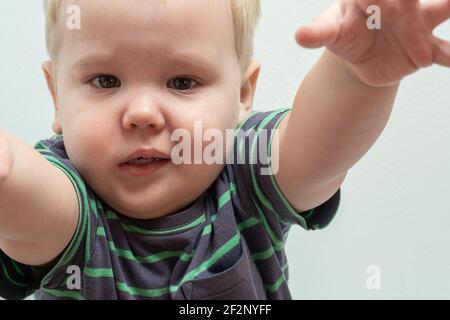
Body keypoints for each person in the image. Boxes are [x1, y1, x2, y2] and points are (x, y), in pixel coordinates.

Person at [0, 0, 448, 299]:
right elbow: (29, 197)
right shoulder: (69, 197)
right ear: (57, 96)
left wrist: (359, 76)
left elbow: (316, 149)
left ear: (242, 94)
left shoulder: (244, 174)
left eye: (182, 82)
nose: (141, 114)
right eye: (105, 81)